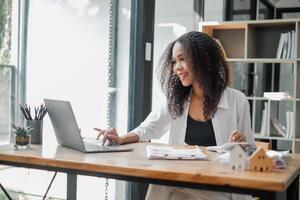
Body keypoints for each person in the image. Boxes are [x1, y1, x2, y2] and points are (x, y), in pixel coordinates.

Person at [94, 31, 255, 200]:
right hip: (181, 180)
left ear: (203, 59)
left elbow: (249, 152)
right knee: (159, 182)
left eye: (182, 59)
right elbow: (148, 128)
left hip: (219, 186)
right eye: (174, 61)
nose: (177, 67)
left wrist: (239, 145)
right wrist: (120, 139)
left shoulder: (238, 101)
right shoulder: (177, 100)